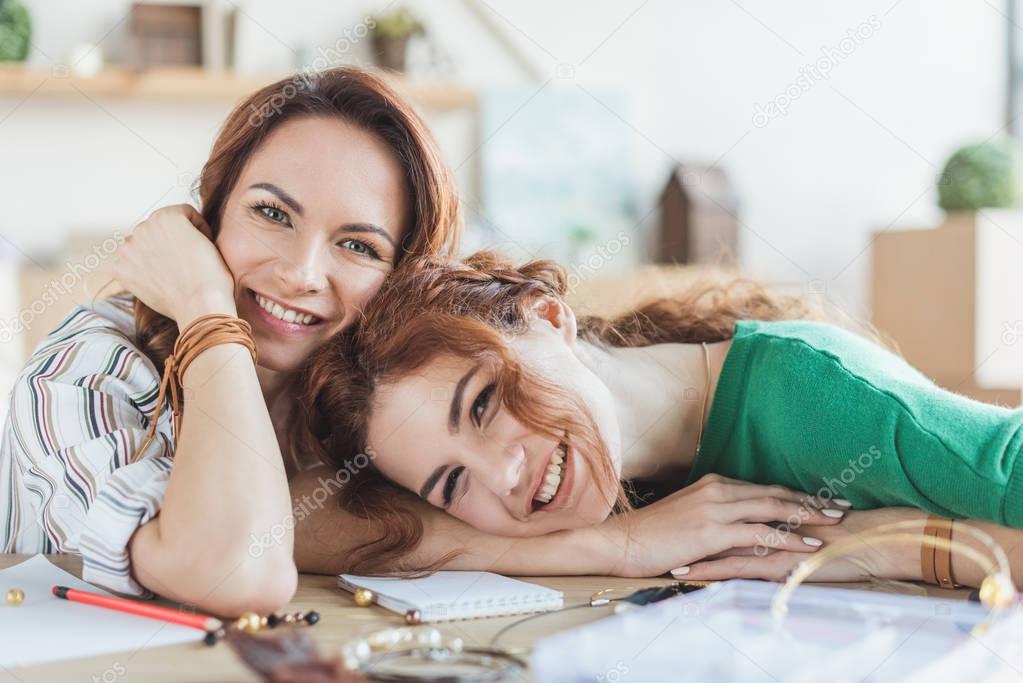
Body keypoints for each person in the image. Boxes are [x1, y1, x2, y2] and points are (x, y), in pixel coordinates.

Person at [0, 66, 460, 614]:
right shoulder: (84, 370)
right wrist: (205, 309)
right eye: (272, 213)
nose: (300, 274)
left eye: (359, 246)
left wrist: (586, 545)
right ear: (212, 212)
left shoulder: (385, 393)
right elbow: (240, 576)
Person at [303, 250, 1023, 589]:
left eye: (484, 403)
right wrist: (618, 544)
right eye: (451, 482)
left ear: (550, 318)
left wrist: (902, 547)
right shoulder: (616, 486)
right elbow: (290, 532)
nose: (504, 475)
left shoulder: (812, 392)